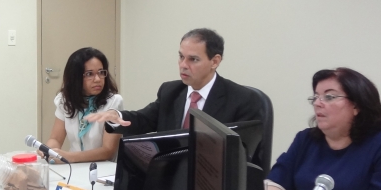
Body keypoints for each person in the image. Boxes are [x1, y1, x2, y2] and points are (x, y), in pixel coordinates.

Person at [266, 68, 381, 190]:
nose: (317, 103)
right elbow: (273, 184)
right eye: (315, 97)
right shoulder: (306, 139)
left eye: (329, 97)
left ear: (357, 105)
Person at [93, 28, 262, 136]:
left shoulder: (242, 100)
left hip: (212, 177)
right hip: (171, 175)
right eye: (181, 57)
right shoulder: (171, 91)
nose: (183, 65)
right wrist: (117, 116)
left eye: (193, 59)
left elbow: (240, 154)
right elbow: (144, 119)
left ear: (215, 61)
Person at [44, 47, 123, 163]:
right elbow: (55, 138)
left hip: (102, 168)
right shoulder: (65, 100)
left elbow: (108, 150)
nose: (97, 79)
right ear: (75, 77)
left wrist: (69, 157)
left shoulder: (114, 102)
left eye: (101, 72)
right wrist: (48, 150)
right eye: (89, 74)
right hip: (74, 166)